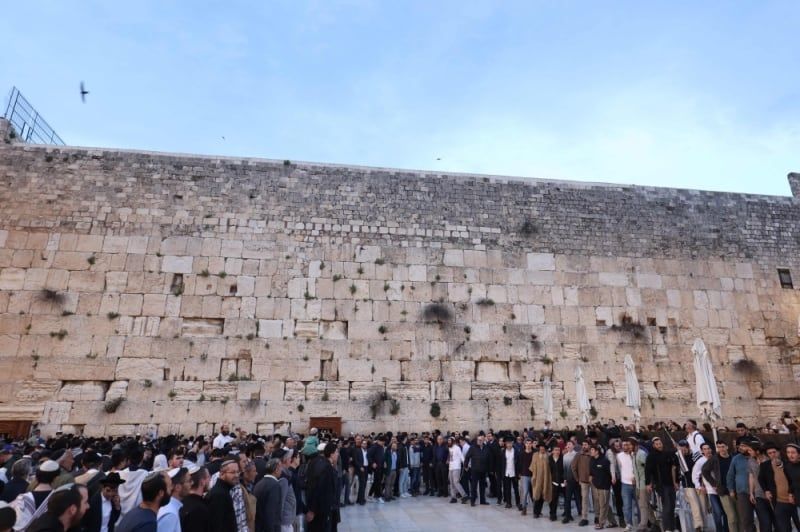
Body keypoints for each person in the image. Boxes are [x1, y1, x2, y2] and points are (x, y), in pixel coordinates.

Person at [757, 442, 794, 532]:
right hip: (778, 500)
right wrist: (766, 490)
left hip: (793, 498)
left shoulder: (787, 463)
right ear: (767, 455)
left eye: (774, 452)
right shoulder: (765, 465)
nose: (773, 455)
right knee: (783, 525)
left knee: (797, 521)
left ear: (778, 452)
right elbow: (761, 479)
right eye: (770, 453)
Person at [645, 437, 678, 532]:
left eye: (660, 443)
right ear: (653, 445)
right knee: (666, 506)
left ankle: (673, 527)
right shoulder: (651, 456)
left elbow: (674, 466)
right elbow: (648, 471)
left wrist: (676, 482)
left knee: (672, 506)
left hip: (671, 484)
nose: (659, 445)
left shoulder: (667, 454)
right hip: (661, 485)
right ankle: (667, 528)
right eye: (657, 444)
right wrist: (648, 484)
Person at [694, 442, 729, 532]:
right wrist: (699, 487)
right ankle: (719, 530)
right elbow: (695, 476)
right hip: (711, 490)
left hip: (721, 489)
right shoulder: (700, 462)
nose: (707, 451)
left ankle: (726, 529)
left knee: (725, 511)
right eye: (705, 449)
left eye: (708, 448)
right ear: (702, 451)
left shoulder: (717, 458)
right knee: (717, 512)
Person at [306, 444, 339, 532]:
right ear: (331, 454)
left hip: (320, 508)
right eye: (336, 452)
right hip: (323, 509)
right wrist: (312, 510)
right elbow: (318, 489)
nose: (338, 454)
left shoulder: (317, 462)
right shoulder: (326, 468)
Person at [727, 438, 756, 532]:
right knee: (746, 520)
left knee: (763, 518)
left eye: (744, 446)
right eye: (740, 446)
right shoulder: (736, 459)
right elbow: (730, 475)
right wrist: (731, 490)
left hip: (758, 492)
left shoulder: (756, 457)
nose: (741, 448)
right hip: (742, 492)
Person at [206, 460, 238, 532]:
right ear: (222, 474)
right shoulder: (219, 495)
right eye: (233, 472)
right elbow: (217, 526)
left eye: (237, 472)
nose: (236, 475)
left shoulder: (224, 491)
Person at [254, 458, 283, 532]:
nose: (281, 470)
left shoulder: (259, 483)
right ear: (276, 470)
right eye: (280, 468)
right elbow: (271, 512)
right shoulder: (275, 486)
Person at [156, 467, 189, 532]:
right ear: (177, 487)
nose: (192, 483)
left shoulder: (171, 509)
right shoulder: (170, 514)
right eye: (188, 481)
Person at [179, 466, 210, 532]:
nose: (210, 480)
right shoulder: (199, 508)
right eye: (208, 477)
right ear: (202, 481)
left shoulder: (182, 502)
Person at [590, 445, 614, 529]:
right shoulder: (592, 460)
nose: (591, 451)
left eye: (592, 450)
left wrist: (610, 482)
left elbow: (610, 473)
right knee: (605, 504)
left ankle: (601, 523)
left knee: (603, 505)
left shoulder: (605, 461)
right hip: (596, 486)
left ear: (597, 451)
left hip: (604, 486)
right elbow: (591, 472)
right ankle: (613, 521)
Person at [463, 434, 491, 507]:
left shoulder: (486, 448)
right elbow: (467, 457)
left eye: (481, 440)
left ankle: (482, 500)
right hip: (475, 470)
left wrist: (489, 469)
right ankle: (473, 501)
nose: (480, 441)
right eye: (478, 440)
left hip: (483, 470)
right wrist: (465, 465)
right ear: (476, 440)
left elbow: (488, 459)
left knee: (482, 486)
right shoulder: (473, 448)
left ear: (483, 440)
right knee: (474, 486)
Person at [617, 439, 636, 532]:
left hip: (636, 484)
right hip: (625, 484)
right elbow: (620, 468)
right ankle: (629, 524)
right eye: (623, 445)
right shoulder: (619, 456)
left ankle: (642, 524)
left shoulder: (634, 455)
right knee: (627, 506)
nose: (625, 446)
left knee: (640, 506)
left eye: (627, 445)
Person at [572, 440, 593, 527]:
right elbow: (573, 467)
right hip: (583, 481)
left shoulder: (593, 454)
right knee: (584, 500)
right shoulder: (578, 455)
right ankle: (584, 518)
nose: (584, 446)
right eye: (583, 444)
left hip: (594, 481)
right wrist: (577, 478)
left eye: (586, 445)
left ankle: (598, 517)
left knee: (596, 500)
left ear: (589, 446)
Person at [530, 442, 552, 518]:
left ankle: (539, 511)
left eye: (543, 447)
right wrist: (534, 476)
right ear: (539, 448)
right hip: (537, 478)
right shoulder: (535, 455)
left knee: (543, 495)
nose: (542, 448)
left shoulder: (548, 456)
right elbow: (532, 466)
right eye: (541, 447)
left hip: (546, 478)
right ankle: (535, 512)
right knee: (536, 495)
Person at [562, 440, 582, 523]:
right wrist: (565, 479)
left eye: (570, 444)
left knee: (578, 497)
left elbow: (579, 468)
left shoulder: (577, 455)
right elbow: (564, 469)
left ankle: (580, 512)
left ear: (573, 446)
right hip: (569, 480)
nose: (568, 445)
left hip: (576, 480)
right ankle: (568, 515)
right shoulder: (565, 456)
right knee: (568, 498)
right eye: (567, 444)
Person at [517, 438, 534, 516]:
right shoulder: (521, 453)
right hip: (524, 475)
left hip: (533, 475)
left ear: (532, 444)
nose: (528, 445)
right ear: (525, 444)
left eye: (530, 443)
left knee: (534, 493)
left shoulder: (534, 453)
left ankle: (536, 509)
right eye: (527, 443)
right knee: (525, 492)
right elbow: (518, 463)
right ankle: (524, 508)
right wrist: (519, 473)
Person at [448, 437, 468, 504]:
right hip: (450, 467)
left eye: (450, 441)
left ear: (453, 441)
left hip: (456, 467)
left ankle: (464, 496)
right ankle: (453, 497)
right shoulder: (449, 448)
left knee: (456, 482)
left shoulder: (457, 448)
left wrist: (465, 465)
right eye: (448, 441)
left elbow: (461, 457)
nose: (448, 442)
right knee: (451, 483)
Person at [548, 444, 565, 521]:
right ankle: (552, 514)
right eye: (555, 450)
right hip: (553, 482)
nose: (557, 452)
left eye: (558, 450)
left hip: (562, 482)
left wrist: (564, 480)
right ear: (552, 451)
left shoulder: (562, 459)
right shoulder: (549, 459)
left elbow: (565, 470)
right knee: (553, 499)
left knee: (566, 498)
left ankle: (567, 513)